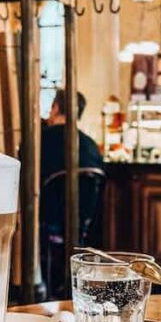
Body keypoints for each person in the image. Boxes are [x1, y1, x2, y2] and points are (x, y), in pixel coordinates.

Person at [40, 89, 104, 262]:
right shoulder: (91, 145)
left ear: (55, 108)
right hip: (83, 224)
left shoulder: (39, 141)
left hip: (46, 220)